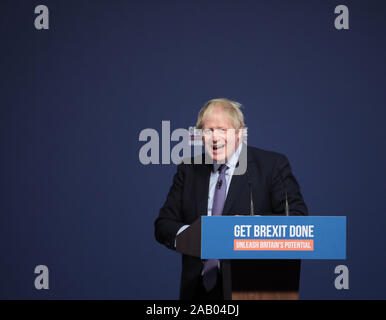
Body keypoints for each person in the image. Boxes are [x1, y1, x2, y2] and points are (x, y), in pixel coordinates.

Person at [154, 98, 308, 300]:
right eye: (208, 130)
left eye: (222, 130)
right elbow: (163, 225)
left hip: (252, 288)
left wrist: (250, 228)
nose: (215, 137)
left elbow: (297, 219)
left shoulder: (271, 166)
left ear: (239, 134)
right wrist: (192, 236)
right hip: (198, 293)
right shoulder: (189, 169)